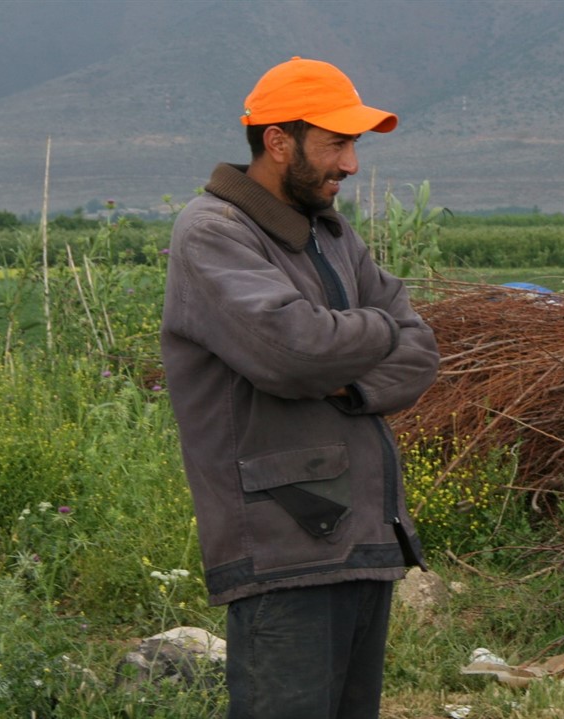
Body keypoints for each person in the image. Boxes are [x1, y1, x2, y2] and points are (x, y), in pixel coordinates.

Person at [160, 56, 440, 718]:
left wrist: (348, 378)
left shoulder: (332, 234)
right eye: (337, 143)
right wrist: (377, 329)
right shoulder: (213, 232)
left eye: (354, 144)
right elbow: (292, 351)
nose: (352, 164)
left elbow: (421, 350)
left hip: (362, 539)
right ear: (279, 141)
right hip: (283, 544)